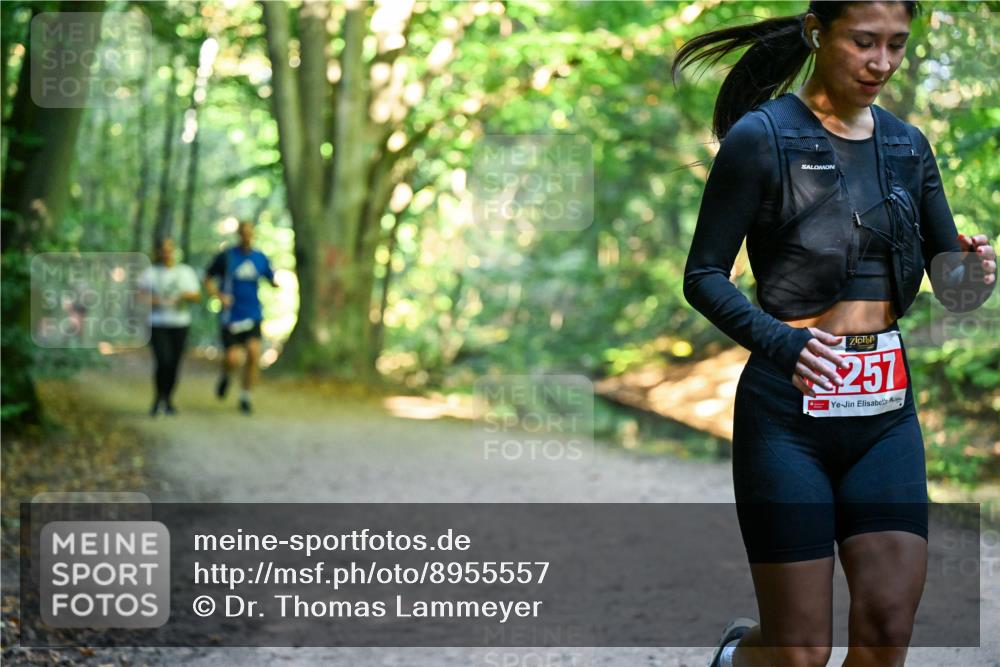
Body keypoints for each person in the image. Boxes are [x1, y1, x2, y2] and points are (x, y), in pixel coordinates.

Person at [673, 2, 996, 667]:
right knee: (800, 652)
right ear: (820, 33)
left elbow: (953, 286)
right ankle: (736, 658)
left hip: (884, 417)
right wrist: (782, 342)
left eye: (898, 46)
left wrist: (976, 275)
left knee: (884, 631)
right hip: (786, 416)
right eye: (865, 42)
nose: (882, 62)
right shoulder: (762, 138)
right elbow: (704, 275)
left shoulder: (907, 146)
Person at [204, 220, 278, 414]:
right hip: (231, 316)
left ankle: (246, 396)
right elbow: (207, 278)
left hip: (252, 314)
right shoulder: (227, 257)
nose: (247, 235)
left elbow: (271, 278)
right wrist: (219, 296)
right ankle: (226, 375)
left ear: (253, 234)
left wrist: (278, 282)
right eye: (243, 232)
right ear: (239, 234)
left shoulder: (260, 258)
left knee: (254, 353)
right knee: (233, 358)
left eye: (250, 232)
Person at [138, 237, 201, 416]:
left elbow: (197, 296)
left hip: (180, 324)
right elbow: (139, 297)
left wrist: (183, 297)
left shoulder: (185, 272)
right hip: (158, 324)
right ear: (158, 252)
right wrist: (156, 301)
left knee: (174, 363)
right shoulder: (150, 273)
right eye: (162, 249)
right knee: (163, 360)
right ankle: (158, 397)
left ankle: (168, 398)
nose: (166, 253)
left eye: (169, 249)